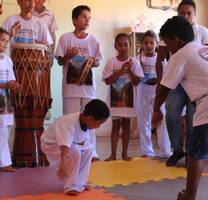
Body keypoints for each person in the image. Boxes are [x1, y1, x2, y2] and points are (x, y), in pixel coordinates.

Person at [152, 16, 208, 200]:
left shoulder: (180, 55)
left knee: (194, 153)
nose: (167, 47)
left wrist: (155, 111)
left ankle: (190, 196)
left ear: (176, 40)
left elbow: (164, 90)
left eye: (167, 42)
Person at [156, 0, 208, 167]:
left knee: (192, 117)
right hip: (175, 79)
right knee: (172, 113)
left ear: (194, 15)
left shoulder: (202, 32)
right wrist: (160, 81)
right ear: (177, 13)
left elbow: (207, 56)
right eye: (182, 13)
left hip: (195, 81)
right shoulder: (168, 31)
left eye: (189, 13)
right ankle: (177, 149)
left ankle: (191, 152)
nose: (186, 16)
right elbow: (160, 59)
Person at [55, 5, 103, 161]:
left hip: (88, 88)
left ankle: (91, 151)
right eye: (84, 17)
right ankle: (71, 151)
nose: (87, 20)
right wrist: (67, 57)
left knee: (91, 118)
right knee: (70, 120)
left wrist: (90, 63)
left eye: (89, 18)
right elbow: (60, 61)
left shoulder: (93, 40)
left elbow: (97, 63)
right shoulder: (65, 38)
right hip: (70, 88)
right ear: (75, 20)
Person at [40, 99, 110, 195]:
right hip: (51, 144)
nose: (99, 126)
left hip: (70, 144)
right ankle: (70, 186)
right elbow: (65, 145)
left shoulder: (88, 123)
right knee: (76, 152)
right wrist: (63, 165)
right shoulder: (69, 123)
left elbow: (85, 141)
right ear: (90, 119)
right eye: (99, 123)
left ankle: (80, 183)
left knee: (89, 149)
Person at [102, 33, 144, 161]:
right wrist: (121, 71)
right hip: (114, 101)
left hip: (129, 101)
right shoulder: (111, 61)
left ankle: (124, 154)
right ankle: (113, 154)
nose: (123, 47)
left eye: (126, 45)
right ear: (115, 46)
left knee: (126, 126)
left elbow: (137, 81)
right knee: (115, 127)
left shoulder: (135, 62)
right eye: (120, 45)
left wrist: (129, 70)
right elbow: (107, 81)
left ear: (130, 46)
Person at [136, 30, 171, 158]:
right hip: (142, 92)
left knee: (162, 120)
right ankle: (146, 151)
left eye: (152, 42)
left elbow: (166, 76)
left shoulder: (161, 59)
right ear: (142, 45)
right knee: (143, 121)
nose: (149, 45)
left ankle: (165, 151)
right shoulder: (137, 59)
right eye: (146, 43)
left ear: (156, 44)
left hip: (158, 92)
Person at [0, 28, 21, 172]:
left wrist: (14, 85)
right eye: (2, 40)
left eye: (7, 41)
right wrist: (4, 85)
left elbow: (11, 78)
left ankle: (4, 162)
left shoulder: (7, 60)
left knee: (4, 131)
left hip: (4, 100)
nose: (5, 44)